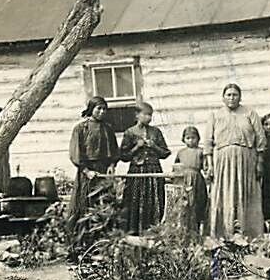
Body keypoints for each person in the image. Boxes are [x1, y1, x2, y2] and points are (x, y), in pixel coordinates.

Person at [204, 83, 266, 239]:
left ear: (240, 97)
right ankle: (224, 233)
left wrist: (259, 163)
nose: (232, 98)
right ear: (223, 97)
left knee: (246, 193)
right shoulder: (215, 115)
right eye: (228, 95)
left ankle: (249, 233)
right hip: (222, 161)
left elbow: (261, 139)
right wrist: (210, 166)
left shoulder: (250, 113)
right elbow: (208, 142)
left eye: (235, 95)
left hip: (246, 159)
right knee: (225, 194)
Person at [67, 96, 119, 238]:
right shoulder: (80, 128)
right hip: (86, 172)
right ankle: (83, 245)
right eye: (99, 109)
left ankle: (103, 243)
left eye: (104, 109)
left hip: (103, 172)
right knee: (85, 206)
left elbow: (114, 151)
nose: (102, 112)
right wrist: (86, 171)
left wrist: (112, 165)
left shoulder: (108, 129)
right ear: (91, 109)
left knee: (105, 205)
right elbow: (75, 154)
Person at [120, 102, 171, 235]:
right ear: (137, 115)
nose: (148, 118)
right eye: (146, 114)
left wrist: (153, 145)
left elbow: (165, 153)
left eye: (150, 115)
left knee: (155, 200)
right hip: (137, 172)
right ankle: (134, 232)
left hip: (154, 171)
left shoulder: (156, 132)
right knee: (136, 200)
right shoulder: (129, 132)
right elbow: (123, 156)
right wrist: (137, 147)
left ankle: (154, 232)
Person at [174, 126, 208, 233]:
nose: (191, 140)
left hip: (197, 180)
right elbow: (176, 166)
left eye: (193, 138)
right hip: (184, 180)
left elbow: (206, 167)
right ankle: (184, 230)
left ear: (198, 139)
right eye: (188, 138)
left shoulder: (201, 152)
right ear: (183, 139)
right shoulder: (181, 152)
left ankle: (196, 229)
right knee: (185, 204)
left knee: (198, 203)